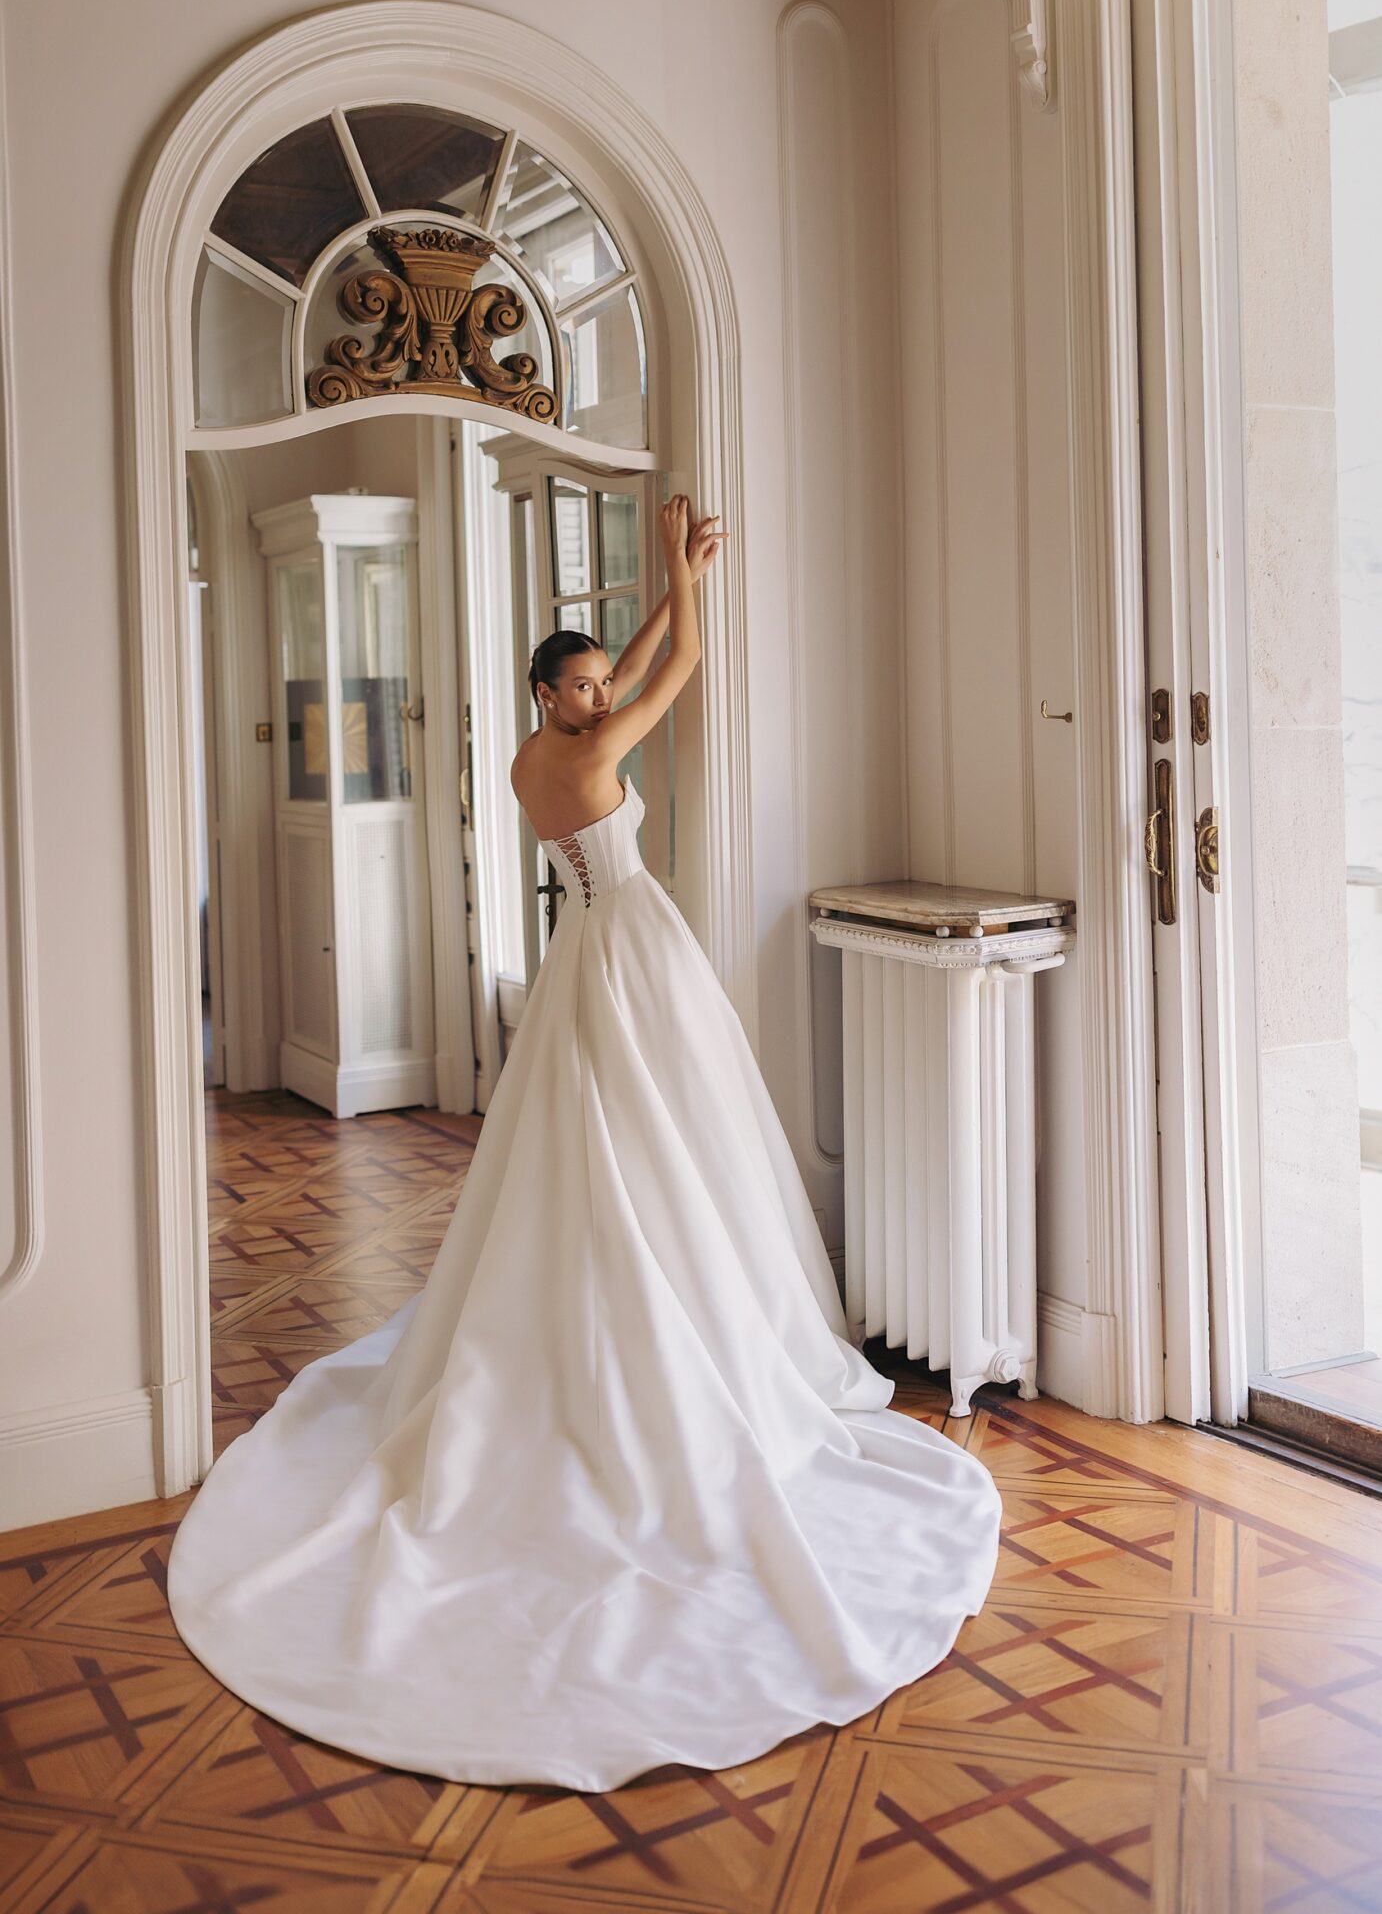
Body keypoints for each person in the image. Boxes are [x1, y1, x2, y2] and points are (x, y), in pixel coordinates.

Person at [166, 493, 1003, 1793]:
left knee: (618, 1141)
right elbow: (687, 665)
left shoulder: (525, 756)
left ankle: (639, 1288)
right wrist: (679, 572)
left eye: (599, 681)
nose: (598, 695)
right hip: (633, 949)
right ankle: (655, 1327)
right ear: (547, 695)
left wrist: (666, 588)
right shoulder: (591, 747)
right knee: (655, 1134)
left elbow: (647, 663)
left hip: (589, 954)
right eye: (581, 684)